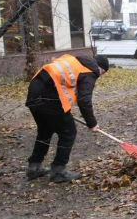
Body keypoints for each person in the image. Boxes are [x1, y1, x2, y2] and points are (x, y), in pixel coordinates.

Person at [25, 54, 110, 183]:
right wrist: (92, 123)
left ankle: (34, 167)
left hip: (34, 92)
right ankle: (58, 171)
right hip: (50, 98)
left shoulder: (75, 60)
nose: (100, 75)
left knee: (45, 131)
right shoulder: (90, 71)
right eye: (102, 73)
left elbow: (61, 83)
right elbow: (84, 100)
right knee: (68, 132)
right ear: (100, 68)